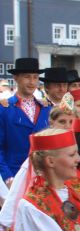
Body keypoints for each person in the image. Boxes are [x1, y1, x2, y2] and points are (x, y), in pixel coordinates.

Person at [0, 58, 51, 186]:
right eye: (27, 77)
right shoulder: (4, 109)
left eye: (35, 77)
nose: (32, 82)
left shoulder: (46, 109)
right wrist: (7, 177)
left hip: (43, 178)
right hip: (14, 177)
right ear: (16, 78)